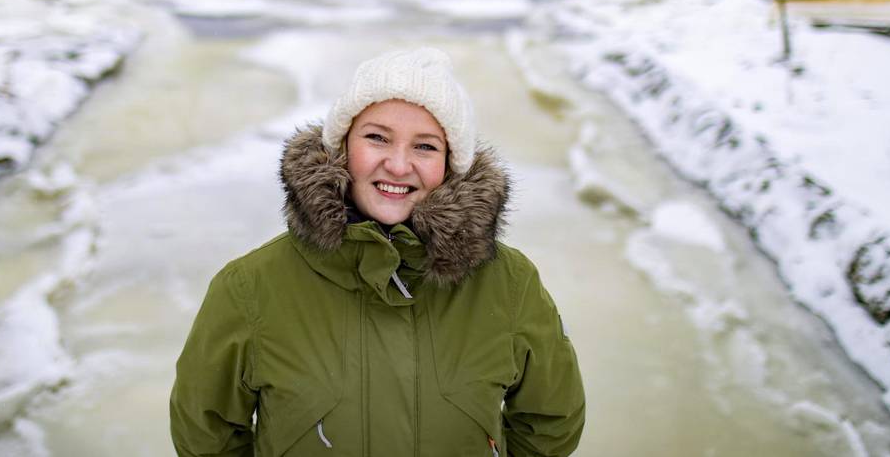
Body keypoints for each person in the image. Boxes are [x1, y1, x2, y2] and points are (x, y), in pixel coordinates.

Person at [170, 47, 585, 456]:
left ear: (451, 163)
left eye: (425, 146)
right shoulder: (249, 288)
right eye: (377, 138)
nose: (399, 166)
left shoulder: (509, 284)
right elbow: (205, 435)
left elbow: (550, 424)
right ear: (343, 147)